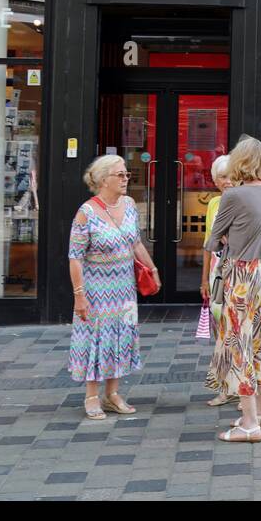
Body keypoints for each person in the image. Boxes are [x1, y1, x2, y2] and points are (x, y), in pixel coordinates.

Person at [204, 136, 261, 442]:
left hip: (241, 272)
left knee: (240, 343)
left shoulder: (233, 196)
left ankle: (249, 423)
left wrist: (226, 239)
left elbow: (213, 239)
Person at [68, 154, 160, 420]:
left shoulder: (130, 204)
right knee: (97, 338)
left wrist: (152, 270)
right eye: (120, 175)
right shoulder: (86, 213)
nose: (125, 179)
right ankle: (92, 396)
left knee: (122, 336)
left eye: (126, 174)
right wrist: (79, 296)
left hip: (125, 287)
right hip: (97, 289)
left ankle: (114, 393)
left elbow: (136, 243)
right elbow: (74, 257)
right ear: (102, 179)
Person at [201, 154, 235, 408]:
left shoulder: (244, 201)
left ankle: (243, 389)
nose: (228, 181)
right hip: (218, 272)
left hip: (241, 272)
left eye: (232, 176)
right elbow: (208, 243)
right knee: (221, 331)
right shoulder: (213, 203)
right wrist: (204, 280)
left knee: (239, 330)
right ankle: (225, 388)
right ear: (215, 180)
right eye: (222, 177)